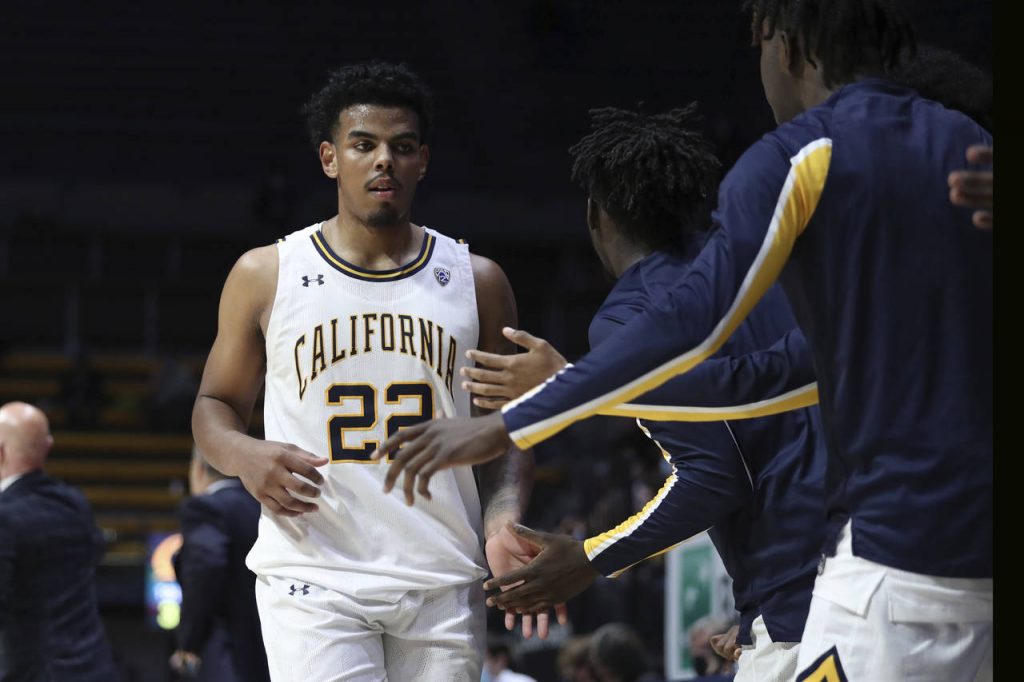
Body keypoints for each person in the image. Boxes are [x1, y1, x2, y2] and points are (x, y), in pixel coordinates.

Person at [374, 1, 993, 680]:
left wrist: (526, 415)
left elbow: (704, 379)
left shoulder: (797, 162)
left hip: (881, 566)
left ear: (784, 45)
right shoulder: (965, 144)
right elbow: (778, 377)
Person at [191, 61, 536, 681]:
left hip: (442, 576)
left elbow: (507, 429)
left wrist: (503, 519)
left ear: (422, 161)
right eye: (364, 145)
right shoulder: (266, 273)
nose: (384, 161)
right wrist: (244, 455)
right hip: (314, 575)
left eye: (402, 147)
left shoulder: (478, 281)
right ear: (330, 158)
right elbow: (214, 404)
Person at [470, 106, 825, 682]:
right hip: (882, 560)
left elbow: (716, 474)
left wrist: (590, 557)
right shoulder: (771, 265)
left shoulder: (630, 316)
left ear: (595, 214)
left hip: (803, 600)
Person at [0, 402, 119, 682]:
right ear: (48, 446)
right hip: (93, 669)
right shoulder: (75, 502)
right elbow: (95, 554)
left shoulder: (3, 516)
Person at [170, 446, 270, 682]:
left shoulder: (205, 508)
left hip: (227, 654)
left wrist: (189, 642)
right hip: (271, 650)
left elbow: (206, 566)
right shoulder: (265, 507)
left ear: (198, 469)